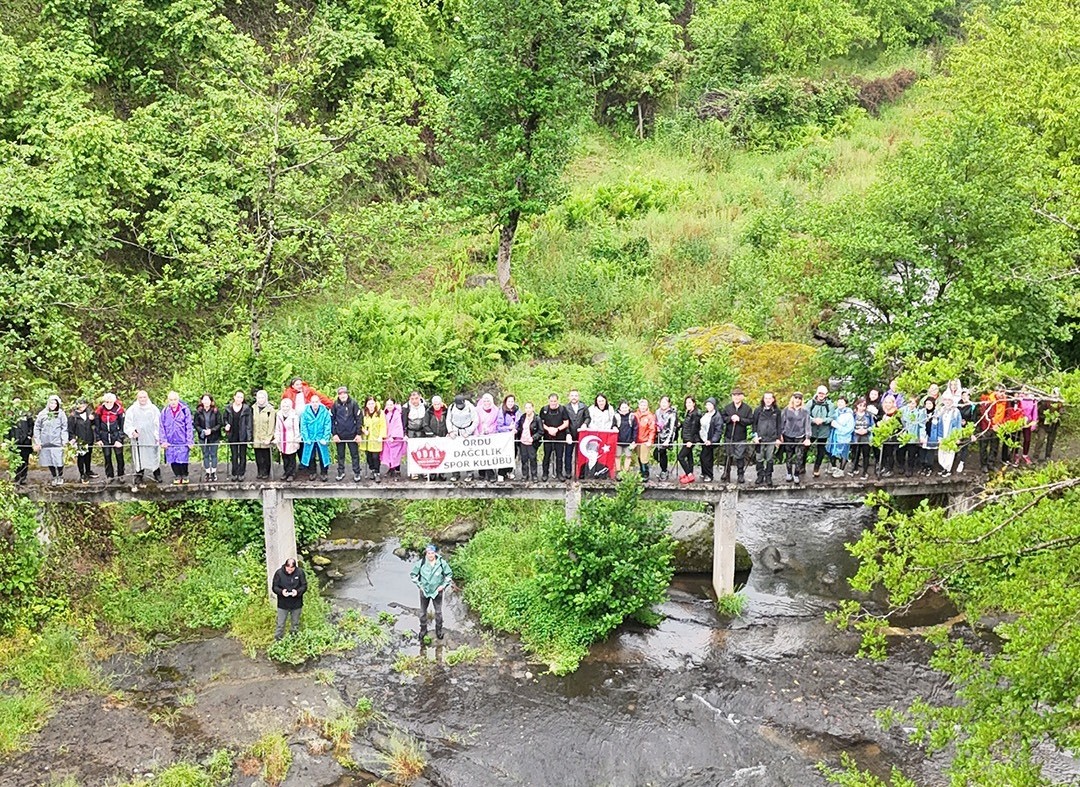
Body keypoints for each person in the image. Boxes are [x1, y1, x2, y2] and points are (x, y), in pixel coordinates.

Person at [411, 544, 453, 643]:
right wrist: (419, 585)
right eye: (429, 553)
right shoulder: (421, 563)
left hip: (437, 592)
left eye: (432, 553)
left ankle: (439, 630)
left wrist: (443, 585)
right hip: (424, 592)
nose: (430, 555)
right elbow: (413, 575)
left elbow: (449, 575)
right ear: (426, 553)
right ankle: (423, 630)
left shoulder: (442, 563)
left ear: (435, 553)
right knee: (422, 612)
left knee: (438, 612)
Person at [125, 390, 162, 484]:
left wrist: (157, 435)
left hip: (151, 436)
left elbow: (158, 423)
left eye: (144, 397)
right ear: (137, 398)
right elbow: (128, 424)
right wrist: (132, 432)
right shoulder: (132, 409)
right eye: (140, 397)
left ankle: (156, 473)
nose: (142, 399)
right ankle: (139, 474)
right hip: (139, 438)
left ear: (147, 397)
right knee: (139, 456)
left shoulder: (153, 409)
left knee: (153, 455)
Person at [159, 391, 193, 484]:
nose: (173, 402)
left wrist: (189, 441)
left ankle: (185, 475)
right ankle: (177, 475)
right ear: (168, 400)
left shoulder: (184, 410)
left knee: (183, 459)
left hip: (182, 439)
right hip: (170, 440)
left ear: (178, 400)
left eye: (175, 399)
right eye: (171, 400)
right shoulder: (165, 411)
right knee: (172, 458)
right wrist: (163, 441)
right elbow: (161, 427)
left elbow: (189, 426)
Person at [720, 389, 753, 484]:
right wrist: (730, 418)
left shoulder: (747, 409)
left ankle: (740, 475)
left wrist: (740, 419)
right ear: (732, 397)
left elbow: (750, 421)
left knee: (740, 457)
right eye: (734, 395)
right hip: (729, 436)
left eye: (738, 395)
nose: (736, 397)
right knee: (728, 455)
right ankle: (726, 473)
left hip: (741, 437)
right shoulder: (727, 408)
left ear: (742, 396)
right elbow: (722, 418)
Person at [34, 395, 68, 485]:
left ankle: (60, 476)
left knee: (59, 460)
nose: (53, 405)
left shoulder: (61, 414)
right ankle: (54, 476)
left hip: (57, 441)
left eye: (55, 403)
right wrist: (38, 441)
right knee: (49, 459)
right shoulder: (42, 414)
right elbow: (37, 427)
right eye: (51, 403)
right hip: (45, 441)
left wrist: (64, 440)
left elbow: (64, 427)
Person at [331, 386, 363, 482]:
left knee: (355, 454)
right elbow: (331, 420)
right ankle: (341, 472)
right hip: (340, 435)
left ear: (347, 394)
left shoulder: (353, 404)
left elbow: (359, 419)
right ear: (338, 395)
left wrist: (358, 434)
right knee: (340, 455)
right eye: (340, 394)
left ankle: (357, 473)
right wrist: (334, 434)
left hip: (352, 434)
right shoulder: (335, 405)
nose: (343, 395)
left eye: (344, 393)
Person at [95, 393, 127, 484]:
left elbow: (122, 426)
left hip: (116, 435)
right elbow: (97, 426)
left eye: (110, 402)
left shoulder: (119, 410)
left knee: (119, 456)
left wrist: (119, 439)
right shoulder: (100, 410)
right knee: (107, 456)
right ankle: (109, 475)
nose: (108, 403)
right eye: (106, 401)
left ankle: (121, 475)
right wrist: (98, 439)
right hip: (104, 436)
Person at [779, 393, 811, 484]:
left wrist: (807, 437)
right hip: (788, 436)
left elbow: (807, 425)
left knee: (799, 456)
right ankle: (789, 473)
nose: (797, 400)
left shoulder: (805, 411)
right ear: (792, 399)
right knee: (789, 456)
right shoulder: (786, 410)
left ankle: (796, 474)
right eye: (796, 398)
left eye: (799, 398)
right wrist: (780, 435)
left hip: (800, 436)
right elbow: (782, 423)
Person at [272, 557, 307, 640]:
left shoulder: (300, 572)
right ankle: (278, 640)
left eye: (292, 569)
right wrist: (281, 592)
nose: (290, 570)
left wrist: (297, 592)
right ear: (285, 566)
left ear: (294, 567)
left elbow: (304, 586)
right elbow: (274, 587)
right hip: (283, 604)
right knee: (280, 624)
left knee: (295, 623)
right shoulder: (279, 573)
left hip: (296, 603)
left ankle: (294, 639)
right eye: (288, 568)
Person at [222, 390, 253, 481]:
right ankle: (234, 473)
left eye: (241, 397)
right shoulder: (228, 408)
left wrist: (249, 436)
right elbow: (224, 419)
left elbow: (249, 423)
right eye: (238, 397)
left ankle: (241, 473)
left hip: (243, 434)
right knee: (234, 455)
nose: (239, 399)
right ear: (234, 397)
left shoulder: (246, 409)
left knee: (242, 455)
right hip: (233, 434)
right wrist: (226, 425)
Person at [752, 392, 782, 486]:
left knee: (770, 458)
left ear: (773, 399)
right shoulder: (758, 410)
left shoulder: (777, 411)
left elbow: (779, 425)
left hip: (772, 439)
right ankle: (760, 475)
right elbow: (754, 424)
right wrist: (754, 436)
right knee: (759, 458)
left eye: (770, 398)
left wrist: (778, 438)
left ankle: (768, 476)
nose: (768, 400)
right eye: (766, 398)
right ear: (763, 399)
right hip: (760, 439)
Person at [539, 393, 570, 481]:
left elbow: (566, 422)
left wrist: (557, 429)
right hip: (547, 437)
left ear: (558, 401)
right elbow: (541, 422)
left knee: (559, 457)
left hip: (560, 436)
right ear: (548, 401)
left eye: (555, 401)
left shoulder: (562, 409)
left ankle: (559, 473)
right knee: (546, 456)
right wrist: (548, 429)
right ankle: (545, 473)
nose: (553, 403)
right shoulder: (544, 409)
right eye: (551, 401)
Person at [300, 396, 332, 481]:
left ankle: (324, 473)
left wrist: (325, 438)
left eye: (316, 402)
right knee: (310, 455)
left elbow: (327, 425)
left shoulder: (324, 412)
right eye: (313, 402)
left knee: (323, 456)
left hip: (321, 437)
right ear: (310, 402)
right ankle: (312, 472)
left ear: (319, 402)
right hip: (310, 438)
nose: (315, 404)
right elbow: (303, 426)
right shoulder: (305, 412)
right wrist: (306, 438)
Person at [931, 394, 964, 476]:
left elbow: (958, 425)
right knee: (941, 452)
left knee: (950, 452)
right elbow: (936, 422)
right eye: (946, 400)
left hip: (951, 435)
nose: (947, 402)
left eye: (949, 400)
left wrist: (958, 437)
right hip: (941, 434)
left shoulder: (956, 412)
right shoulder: (941, 410)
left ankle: (948, 469)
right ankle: (942, 467)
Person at [807, 386, 836, 478]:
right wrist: (813, 420)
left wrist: (823, 420)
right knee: (805, 448)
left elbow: (831, 417)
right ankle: (801, 467)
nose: (821, 395)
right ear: (817, 393)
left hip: (823, 431)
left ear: (826, 394)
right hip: (811, 430)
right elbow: (805, 415)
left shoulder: (830, 405)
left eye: (823, 393)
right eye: (820, 393)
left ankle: (816, 468)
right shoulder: (810, 403)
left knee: (821, 450)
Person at [67, 398, 97, 483]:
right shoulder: (73, 416)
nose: (82, 407)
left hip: (89, 438)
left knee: (88, 455)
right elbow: (70, 429)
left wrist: (93, 419)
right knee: (81, 457)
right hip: (80, 440)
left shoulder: (90, 413)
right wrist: (72, 438)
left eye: (84, 405)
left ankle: (88, 470)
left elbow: (95, 424)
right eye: (80, 405)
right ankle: (82, 473)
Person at [194, 394, 222, 482]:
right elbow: (195, 424)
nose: (206, 402)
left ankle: (213, 472)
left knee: (213, 454)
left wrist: (212, 430)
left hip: (214, 436)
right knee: (205, 455)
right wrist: (202, 430)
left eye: (208, 400)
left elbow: (219, 424)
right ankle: (207, 472)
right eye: (204, 400)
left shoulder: (216, 411)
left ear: (211, 401)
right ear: (202, 401)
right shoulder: (198, 412)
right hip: (203, 437)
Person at [8, 399, 35, 486]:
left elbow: (32, 426)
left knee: (24, 460)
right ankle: (16, 477)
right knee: (14, 460)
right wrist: (7, 440)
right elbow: (7, 429)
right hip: (13, 442)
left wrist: (29, 436)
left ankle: (23, 477)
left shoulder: (27, 415)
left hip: (25, 442)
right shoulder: (10, 415)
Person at [252, 390, 277, 481]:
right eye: (259, 397)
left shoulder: (270, 410)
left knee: (266, 456)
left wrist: (269, 438)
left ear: (266, 398)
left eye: (262, 397)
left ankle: (266, 472)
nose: (260, 399)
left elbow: (271, 425)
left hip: (266, 437)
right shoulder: (253, 408)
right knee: (258, 455)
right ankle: (260, 471)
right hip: (256, 436)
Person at [565, 390, 590, 478]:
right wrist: (567, 433)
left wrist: (585, 424)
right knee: (568, 454)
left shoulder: (584, 407)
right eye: (572, 395)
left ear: (578, 397)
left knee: (581, 454)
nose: (574, 397)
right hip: (570, 434)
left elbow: (587, 418)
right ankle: (568, 472)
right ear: (569, 397)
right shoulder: (565, 408)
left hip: (581, 434)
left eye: (576, 395)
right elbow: (565, 421)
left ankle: (581, 472)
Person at [827, 397, 854, 478]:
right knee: (830, 451)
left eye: (842, 402)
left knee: (843, 453)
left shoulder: (849, 415)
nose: (839, 404)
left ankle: (841, 470)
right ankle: (834, 467)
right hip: (834, 436)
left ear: (846, 404)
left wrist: (837, 426)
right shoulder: (835, 412)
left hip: (844, 437)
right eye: (838, 402)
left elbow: (850, 428)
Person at [404, 391, 428, 480]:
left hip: (422, 431)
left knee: (424, 451)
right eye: (412, 399)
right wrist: (404, 433)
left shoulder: (425, 406)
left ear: (420, 397)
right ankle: (414, 471)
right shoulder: (406, 407)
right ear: (410, 399)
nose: (414, 401)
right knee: (412, 452)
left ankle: (424, 470)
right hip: (411, 431)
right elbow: (404, 421)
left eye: (416, 398)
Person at [360, 397, 386, 482]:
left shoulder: (380, 413)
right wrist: (363, 430)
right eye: (369, 404)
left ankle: (377, 472)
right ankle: (372, 470)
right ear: (366, 405)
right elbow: (359, 424)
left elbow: (383, 425)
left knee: (375, 457)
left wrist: (381, 436)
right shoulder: (363, 413)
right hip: (367, 439)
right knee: (369, 456)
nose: (371, 406)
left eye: (372, 403)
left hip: (376, 438)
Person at [475, 394, 500, 481]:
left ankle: (490, 474)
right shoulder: (477, 410)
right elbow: (474, 422)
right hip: (479, 435)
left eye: (488, 401)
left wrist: (489, 430)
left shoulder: (496, 410)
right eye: (485, 401)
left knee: (488, 454)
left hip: (490, 435)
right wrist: (477, 433)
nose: (486, 403)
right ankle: (481, 473)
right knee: (480, 454)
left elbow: (497, 423)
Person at [849, 398, 875, 479]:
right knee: (855, 453)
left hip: (866, 437)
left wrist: (866, 430)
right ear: (857, 405)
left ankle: (865, 471)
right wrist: (856, 430)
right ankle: (854, 469)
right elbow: (849, 426)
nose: (862, 408)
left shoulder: (869, 415)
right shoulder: (853, 415)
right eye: (860, 406)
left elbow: (873, 426)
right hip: (856, 437)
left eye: (864, 406)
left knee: (865, 454)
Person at [653, 396, 678, 482]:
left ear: (669, 404)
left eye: (665, 402)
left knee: (660, 452)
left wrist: (668, 440)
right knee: (657, 454)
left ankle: (664, 471)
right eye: (662, 402)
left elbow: (672, 428)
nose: (663, 404)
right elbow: (655, 423)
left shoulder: (672, 413)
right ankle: (664, 469)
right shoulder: (657, 412)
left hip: (667, 437)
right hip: (659, 436)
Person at [276, 398, 301, 482]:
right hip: (282, 439)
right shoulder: (279, 415)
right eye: (283, 406)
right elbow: (277, 428)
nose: (285, 408)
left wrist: (297, 440)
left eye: (287, 406)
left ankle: (292, 474)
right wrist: (277, 438)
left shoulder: (294, 416)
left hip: (291, 438)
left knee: (291, 457)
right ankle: (286, 472)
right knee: (284, 457)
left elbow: (296, 429)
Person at [899, 396, 925, 476]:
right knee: (900, 452)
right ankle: (901, 466)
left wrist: (921, 436)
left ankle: (910, 469)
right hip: (903, 435)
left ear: (916, 404)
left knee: (912, 453)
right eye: (910, 402)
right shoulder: (902, 410)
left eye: (913, 403)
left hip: (913, 435)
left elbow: (922, 425)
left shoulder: (919, 412)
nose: (911, 405)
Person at [516, 402, 542, 480]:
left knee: (533, 459)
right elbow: (520, 428)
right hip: (523, 441)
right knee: (524, 459)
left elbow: (541, 431)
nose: (528, 409)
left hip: (532, 442)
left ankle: (534, 475)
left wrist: (533, 438)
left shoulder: (537, 418)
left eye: (529, 408)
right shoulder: (523, 417)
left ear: (533, 408)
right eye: (526, 408)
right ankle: (525, 475)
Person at [495, 395, 519, 481]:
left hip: (514, 436)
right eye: (509, 401)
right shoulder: (502, 411)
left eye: (512, 401)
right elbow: (499, 427)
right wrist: (509, 428)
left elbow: (519, 422)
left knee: (513, 453)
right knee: (504, 455)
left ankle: (509, 471)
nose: (510, 403)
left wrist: (516, 429)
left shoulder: (517, 410)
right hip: (504, 437)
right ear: (505, 402)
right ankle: (501, 473)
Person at [677, 397, 701, 484]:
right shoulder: (689, 413)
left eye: (690, 402)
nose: (688, 404)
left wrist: (691, 441)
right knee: (689, 456)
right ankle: (689, 474)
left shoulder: (695, 414)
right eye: (687, 403)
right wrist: (680, 425)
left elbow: (695, 428)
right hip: (686, 438)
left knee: (680, 457)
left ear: (694, 403)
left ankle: (689, 474)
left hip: (690, 439)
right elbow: (688, 425)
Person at [877, 394, 901, 477]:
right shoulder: (883, 412)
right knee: (883, 453)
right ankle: (884, 467)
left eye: (889, 402)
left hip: (892, 437)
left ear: (893, 403)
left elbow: (899, 426)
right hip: (883, 436)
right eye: (886, 402)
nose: (887, 404)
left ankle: (890, 469)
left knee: (890, 453)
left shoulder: (896, 413)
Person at [381, 398, 406, 478]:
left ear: (394, 405)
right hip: (387, 438)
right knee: (388, 454)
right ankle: (391, 469)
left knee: (396, 455)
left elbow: (398, 426)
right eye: (388, 404)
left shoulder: (397, 414)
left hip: (396, 438)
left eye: (391, 404)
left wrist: (394, 436)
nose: (389, 406)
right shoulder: (385, 413)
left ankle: (397, 471)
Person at [614, 400, 638, 480]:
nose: (624, 409)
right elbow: (613, 426)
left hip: (629, 440)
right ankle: (618, 472)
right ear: (619, 408)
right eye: (622, 407)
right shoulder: (616, 416)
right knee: (617, 456)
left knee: (628, 456)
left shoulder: (632, 417)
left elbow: (635, 429)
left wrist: (634, 440)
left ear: (628, 407)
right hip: (618, 440)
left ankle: (625, 472)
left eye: (625, 407)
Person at [698, 398, 720, 482]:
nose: (708, 406)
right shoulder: (705, 414)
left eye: (710, 405)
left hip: (710, 440)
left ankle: (709, 475)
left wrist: (712, 440)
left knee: (707, 458)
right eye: (707, 405)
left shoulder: (717, 416)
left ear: (714, 406)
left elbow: (718, 431)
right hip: (703, 439)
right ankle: (704, 472)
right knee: (702, 457)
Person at [634, 399, 656, 481]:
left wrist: (650, 440)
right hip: (637, 440)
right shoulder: (635, 415)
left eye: (644, 405)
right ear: (638, 406)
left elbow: (652, 429)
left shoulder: (650, 416)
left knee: (644, 458)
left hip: (645, 441)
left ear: (647, 406)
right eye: (641, 405)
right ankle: (641, 471)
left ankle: (645, 473)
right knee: (639, 457)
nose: (642, 407)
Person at [1017, 388, 1038, 465]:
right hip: (1019, 421)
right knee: (1017, 439)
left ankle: (1025, 455)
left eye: (1027, 390)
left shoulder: (1032, 399)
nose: (1025, 392)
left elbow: (1035, 412)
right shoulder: (1019, 398)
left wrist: (1034, 422)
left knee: (1027, 439)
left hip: (1028, 422)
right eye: (1023, 390)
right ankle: (1016, 455)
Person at [1043, 388, 1063, 460]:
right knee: (1041, 439)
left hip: (1054, 424)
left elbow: (1061, 411)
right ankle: (1036, 456)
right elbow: (1041, 410)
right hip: (1044, 423)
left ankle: (1047, 456)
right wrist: (1046, 417)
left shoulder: (1059, 403)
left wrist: (1058, 415)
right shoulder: (1047, 401)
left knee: (1051, 440)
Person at [920, 397, 938, 476]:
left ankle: (929, 467)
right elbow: (920, 424)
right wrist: (922, 436)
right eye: (927, 403)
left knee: (930, 452)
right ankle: (923, 466)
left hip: (932, 435)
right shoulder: (922, 413)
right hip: (924, 434)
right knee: (923, 452)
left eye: (930, 403)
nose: (928, 405)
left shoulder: (937, 413)